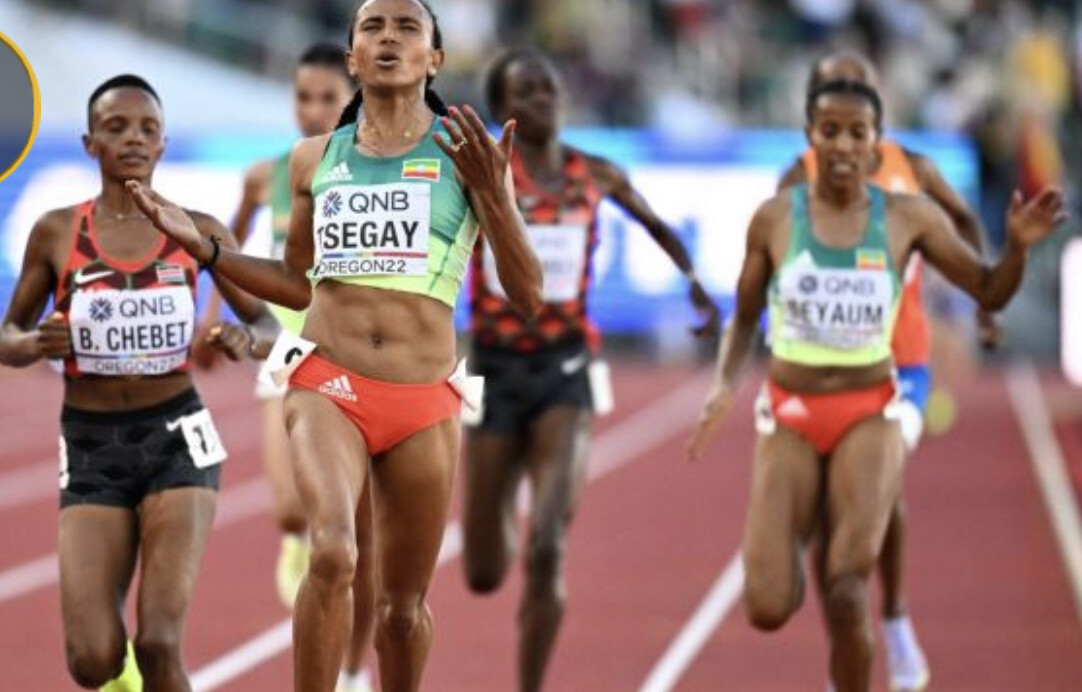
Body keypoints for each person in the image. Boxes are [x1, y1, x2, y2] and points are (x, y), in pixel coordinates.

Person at [124, 1, 543, 690]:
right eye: (372, 27)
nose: (388, 38)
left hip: (423, 399)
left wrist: (493, 195)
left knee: (400, 612)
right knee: (332, 553)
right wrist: (208, 250)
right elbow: (296, 285)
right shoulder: (313, 160)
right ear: (352, 58)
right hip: (327, 383)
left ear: (435, 59)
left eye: (407, 28)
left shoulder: (467, 156)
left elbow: (527, 296)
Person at [687, 78, 1063, 692]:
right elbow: (747, 315)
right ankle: (805, 525)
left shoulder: (908, 217)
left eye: (856, 133)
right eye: (829, 131)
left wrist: (1017, 250)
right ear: (810, 139)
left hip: (868, 411)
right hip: (789, 412)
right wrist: (723, 385)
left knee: (846, 585)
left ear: (876, 143)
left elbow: (989, 289)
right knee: (767, 605)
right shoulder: (776, 218)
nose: (842, 144)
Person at [0, 75, 272, 692]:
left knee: (158, 642)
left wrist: (245, 340)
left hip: (177, 438)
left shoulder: (196, 229)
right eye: (116, 127)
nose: (133, 139)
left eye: (148, 129)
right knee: (92, 659)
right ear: (89, 142)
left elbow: (266, 324)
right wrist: (33, 343)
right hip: (91, 444)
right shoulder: (56, 232)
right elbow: (7, 334)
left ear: (163, 144)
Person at [462, 48, 721, 692]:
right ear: (501, 108)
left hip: (567, 368)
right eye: (526, 91)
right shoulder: (481, 175)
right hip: (491, 371)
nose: (543, 98)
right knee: (483, 573)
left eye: (549, 86)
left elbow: (657, 225)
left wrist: (693, 281)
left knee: (549, 544)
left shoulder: (595, 173)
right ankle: (503, 496)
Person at [776, 50, 997, 692]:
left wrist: (982, 299)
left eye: (861, 88)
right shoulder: (797, 177)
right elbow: (774, 256)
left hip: (902, 362)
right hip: (824, 367)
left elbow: (964, 220)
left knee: (883, 485)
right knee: (826, 520)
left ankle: (896, 620)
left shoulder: (913, 168)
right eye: (834, 90)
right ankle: (845, 650)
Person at [193, 41, 377, 692]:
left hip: (358, 358)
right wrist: (212, 316)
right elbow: (226, 244)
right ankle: (299, 540)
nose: (315, 109)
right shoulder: (267, 176)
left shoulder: (376, 172)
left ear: (352, 99)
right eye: (304, 97)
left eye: (329, 97)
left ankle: (352, 670)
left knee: (358, 536)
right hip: (287, 350)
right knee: (289, 509)